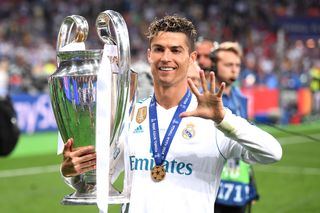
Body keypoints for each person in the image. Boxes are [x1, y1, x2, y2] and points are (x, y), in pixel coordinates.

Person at [60, 15, 282, 213]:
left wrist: (223, 119)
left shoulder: (214, 121)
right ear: (149, 55)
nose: (166, 57)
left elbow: (272, 153)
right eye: (159, 49)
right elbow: (99, 181)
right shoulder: (129, 115)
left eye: (176, 50)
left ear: (192, 58)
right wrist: (72, 172)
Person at [210, 42, 259, 213]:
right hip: (213, 184)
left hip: (238, 186)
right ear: (214, 66)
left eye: (237, 65)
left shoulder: (241, 98)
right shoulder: (206, 96)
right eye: (229, 65)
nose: (234, 70)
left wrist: (251, 185)